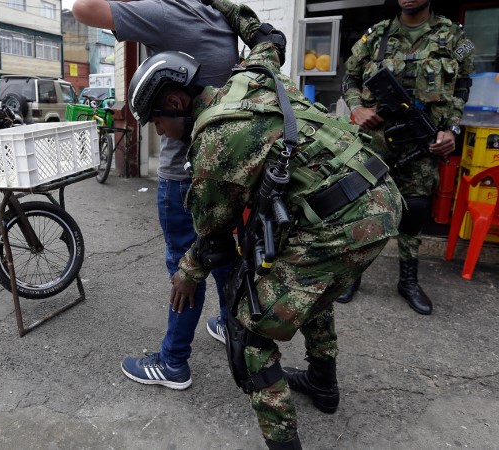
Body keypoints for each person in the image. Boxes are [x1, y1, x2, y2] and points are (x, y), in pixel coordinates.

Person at [127, 29, 403, 448]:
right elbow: (267, 34)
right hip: (380, 194)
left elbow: (215, 239)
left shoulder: (213, 144)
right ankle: (322, 383)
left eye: (157, 121)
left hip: (341, 225)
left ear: (175, 102)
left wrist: (186, 274)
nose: (161, 132)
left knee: (250, 338)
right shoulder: (255, 69)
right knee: (312, 292)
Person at [73, 0, 285, 390]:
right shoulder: (226, 17)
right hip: (228, 168)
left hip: (184, 174)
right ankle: (231, 325)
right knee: (223, 258)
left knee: (185, 268)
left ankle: (174, 362)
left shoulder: (169, 14)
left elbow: (83, 9)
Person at [337, 0, 474, 311]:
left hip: (423, 141)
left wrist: (451, 129)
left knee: (414, 208)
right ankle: (354, 274)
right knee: (363, 206)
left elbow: (463, 85)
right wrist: (357, 108)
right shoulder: (377, 35)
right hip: (376, 140)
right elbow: (350, 78)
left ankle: (408, 280)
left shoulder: (452, 36)